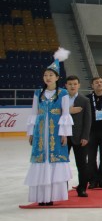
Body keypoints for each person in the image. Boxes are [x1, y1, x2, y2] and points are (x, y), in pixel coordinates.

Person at [24, 48, 73, 206]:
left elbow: (65, 114)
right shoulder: (38, 93)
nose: (48, 77)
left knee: (54, 161)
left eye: (51, 75)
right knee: (41, 160)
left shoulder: (63, 93)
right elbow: (34, 113)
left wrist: (64, 134)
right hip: (40, 133)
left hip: (55, 133)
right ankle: (41, 197)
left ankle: (51, 195)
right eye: (45, 75)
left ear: (57, 77)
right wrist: (31, 133)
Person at [65, 75, 92, 197]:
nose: (72, 86)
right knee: (62, 164)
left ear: (79, 85)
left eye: (75, 84)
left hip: (80, 137)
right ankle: (62, 188)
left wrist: (85, 136)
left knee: (82, 164)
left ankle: (82, 188)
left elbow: (88, 120)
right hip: (63, 137)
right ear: (66, 85)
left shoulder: (84, 100)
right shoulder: (61, 99)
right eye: (70, 84)